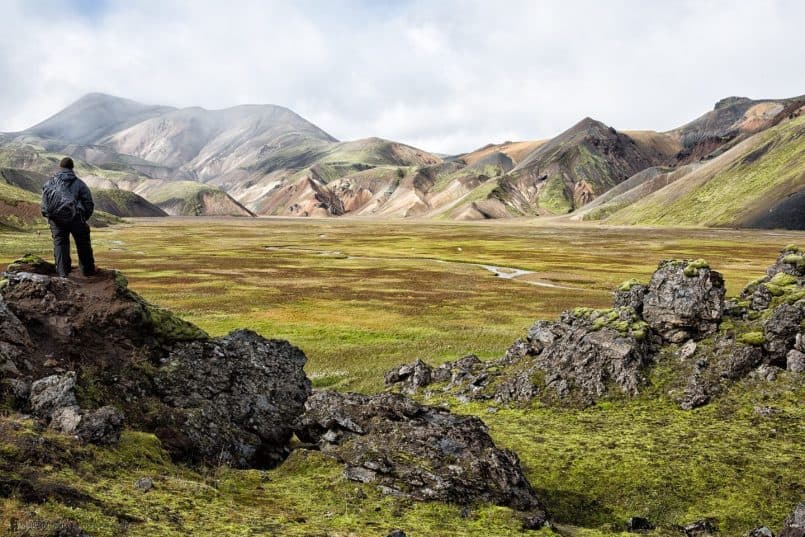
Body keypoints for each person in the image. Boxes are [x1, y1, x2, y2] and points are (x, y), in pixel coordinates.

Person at [40, 157, 96, 278]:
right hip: (76, 219)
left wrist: (50, 217)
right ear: (72, 168)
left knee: (60, 244)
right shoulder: (80, 184)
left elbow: (44, 205)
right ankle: (88, 272)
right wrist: (82, 218)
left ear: (60, 167)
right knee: (83, 243)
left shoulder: (50, 183)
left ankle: (62, 273)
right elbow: (89, 204)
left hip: (56, 220)